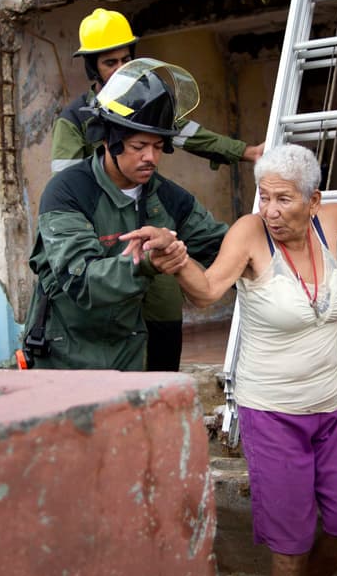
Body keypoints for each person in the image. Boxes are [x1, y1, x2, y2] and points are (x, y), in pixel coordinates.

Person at [132, 144, 337, 576]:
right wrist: (179, 258)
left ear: (313, 201)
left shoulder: (328, 222)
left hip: (332, 409)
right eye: (264, 197)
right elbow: (206, 292)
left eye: (283, 200)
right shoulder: (250, 235)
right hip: (272, 413)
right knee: (289, 550)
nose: (269, 210)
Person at [52, 8, 263, 372]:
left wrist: (244, 152)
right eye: (109, 62)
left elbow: (189, 134)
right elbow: (66, 189)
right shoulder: (76, 120)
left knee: (164, 369)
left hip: (158, 280)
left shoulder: (167, 186)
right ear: (92, 67)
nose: (120, 69)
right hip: (104, 258)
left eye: (125, 59)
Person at [24, 59, 229, 371]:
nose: (151, 157)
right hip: (68, 358)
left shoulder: (168, 197)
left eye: (159, 147)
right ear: (110, 141)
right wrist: (144, 263)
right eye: (139, 145)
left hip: (132, 355)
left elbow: (222, 246)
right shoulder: (67, 192)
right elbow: (82, 282)